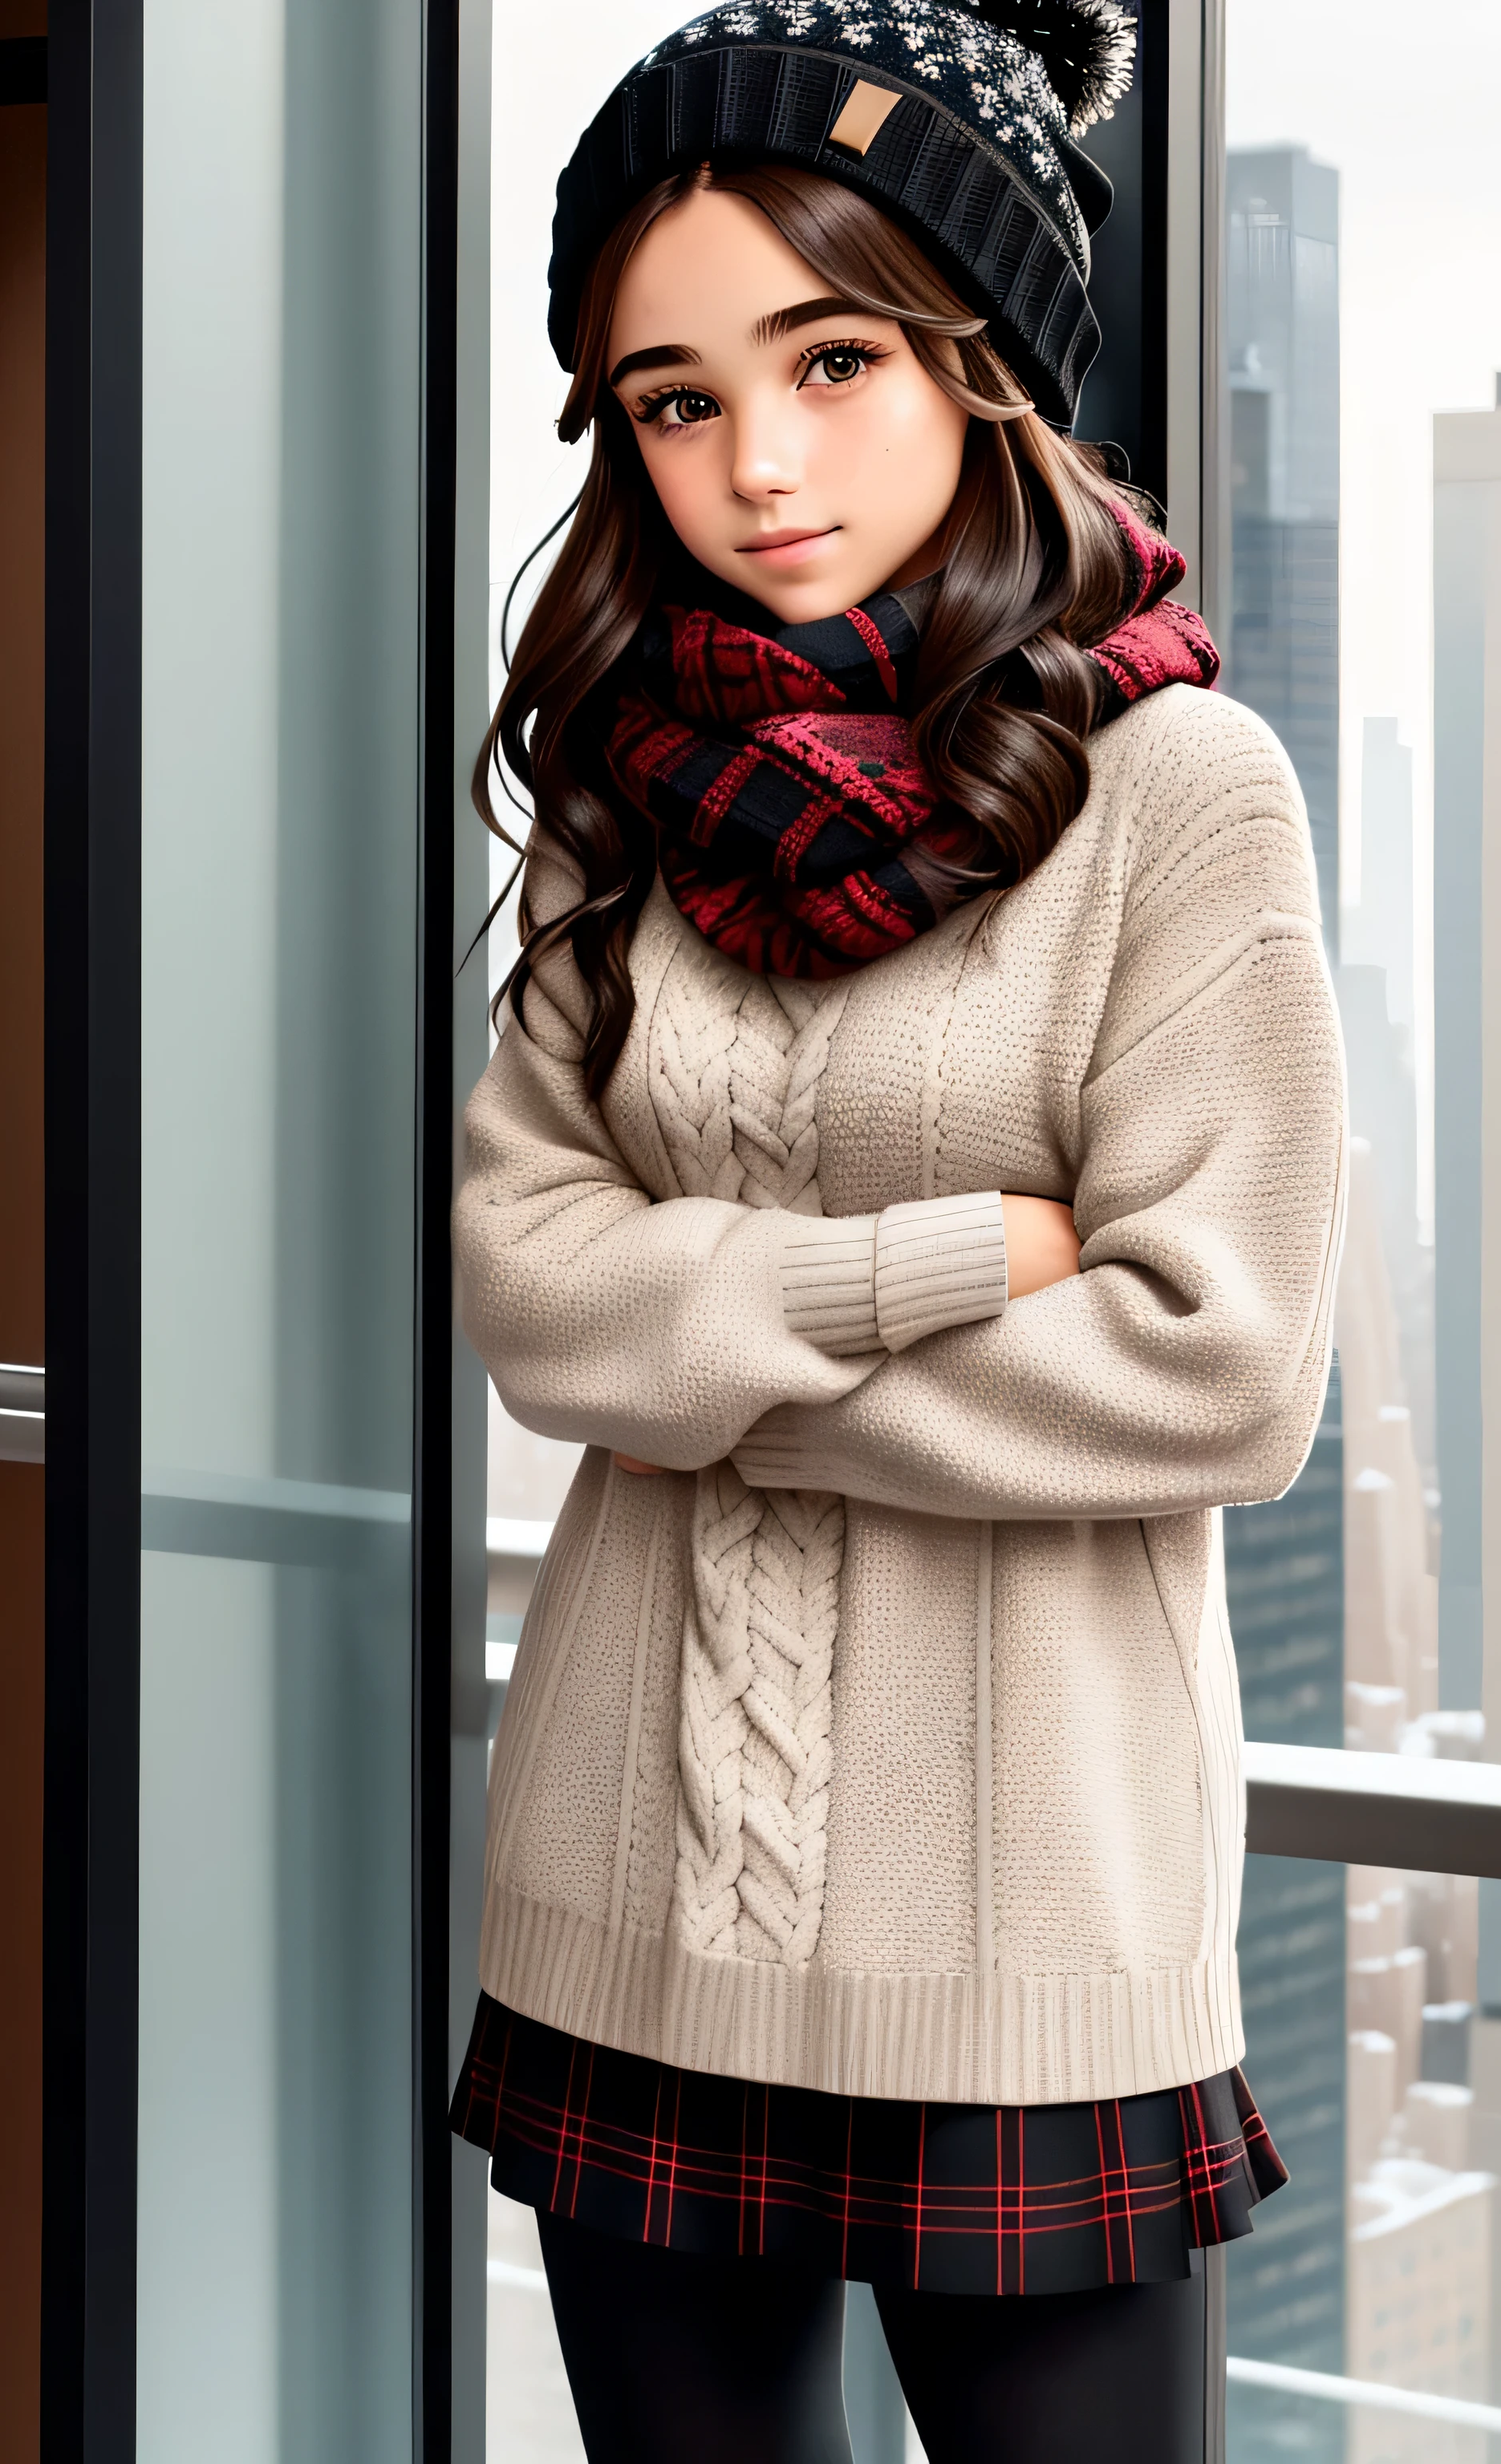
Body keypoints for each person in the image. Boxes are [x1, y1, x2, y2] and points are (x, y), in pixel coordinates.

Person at [451, 2, 1345, 2454]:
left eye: (831, 355)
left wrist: (706, 1344)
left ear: (984, 360)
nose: (755, 463)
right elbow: (534, 1295)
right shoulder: (624, 806)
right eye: (669, 396)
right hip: (624, 1904)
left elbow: (1220, 1370)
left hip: (1033, 1952)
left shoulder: (1181, 797)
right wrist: (947, 1262)